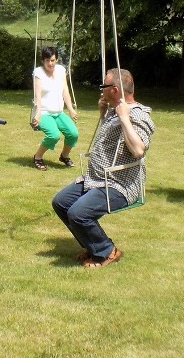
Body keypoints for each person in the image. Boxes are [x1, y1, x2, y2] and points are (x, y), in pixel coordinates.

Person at [52, 68, 154, 268]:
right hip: (96, 179)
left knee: (78, 213)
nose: (101, 90)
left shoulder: (139, 115)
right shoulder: (114, 111)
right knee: (61, 202)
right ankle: (93, 246)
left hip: (120, 184)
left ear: (115, 90)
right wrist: (104, 114)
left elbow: (139, 150)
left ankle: (107, 251)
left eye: (104, 86)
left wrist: (124, 117)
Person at [31, 46, 79, 170]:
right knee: (54, 135)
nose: (50, 63)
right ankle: (38, 157)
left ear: (56, 60)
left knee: (73, 133)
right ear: (43, 61)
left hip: (58, 112)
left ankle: (64, 155)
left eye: (52, 60)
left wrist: (71, 109)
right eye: (47, 61)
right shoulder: (38, 73)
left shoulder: (61, 70)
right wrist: (37, 114)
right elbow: (37, 96)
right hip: (44, 112)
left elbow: (65, 90)